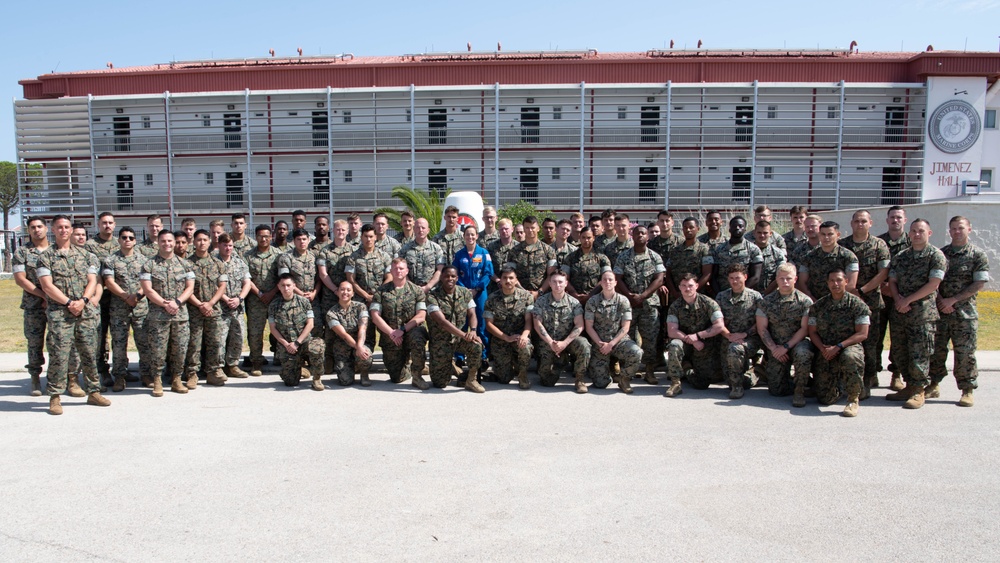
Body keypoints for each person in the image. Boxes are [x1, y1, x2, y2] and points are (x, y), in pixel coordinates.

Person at [36, 215, 112, 414]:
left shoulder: (87, 256)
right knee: (59, 355)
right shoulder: (46, 257)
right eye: (59, 227)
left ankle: (93, 392)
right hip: (60, 314)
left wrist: (83, 301)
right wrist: (69, 302)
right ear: (53, 230)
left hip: (84, 313)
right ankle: (54, 397)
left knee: (89, 353)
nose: (63, 230)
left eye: (67, 227)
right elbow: (47, 286)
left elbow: (92, 281)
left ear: (71, 230)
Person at [927, 216, 989, 407]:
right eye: (953, 228)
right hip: (941, 312)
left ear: (969, 229)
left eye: (960, 228)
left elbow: (979, 283)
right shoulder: (941, 254)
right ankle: (933, 384)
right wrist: (941, 301)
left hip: (964, 314)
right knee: (936, 351)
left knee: (965, 353)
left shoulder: (977, 255)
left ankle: (967, 389)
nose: (956, 231)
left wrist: (953, 300)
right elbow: (932, 281)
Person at [886, 219, 947, 410]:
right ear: (909, 234)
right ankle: (908, 385)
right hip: (900, 312)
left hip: (922, 313)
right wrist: (898, 299)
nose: (917, 234)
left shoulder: (936, 255)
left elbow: (934, 284)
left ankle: (919, 390)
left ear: (929, 233)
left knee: (919, 352)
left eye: (921, 231)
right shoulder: (901, 256)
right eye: (913, 231)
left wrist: (908, 300)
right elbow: (892, 281)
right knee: (900, 350)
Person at [838, 210, 890, 396]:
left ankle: (868, 378)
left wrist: (862, 291)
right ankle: (846, 377)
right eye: (857, 221)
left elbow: (883, 273)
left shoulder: (879, 245)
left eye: (863, 221)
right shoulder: (843, 245)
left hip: (870, 302)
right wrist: (850, 293)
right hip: (846, 303)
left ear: (870, 223)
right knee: (847, 340)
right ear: (851, 223)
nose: (860, 224)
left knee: (870, 342)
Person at [807, 269, 870, 417]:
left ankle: (853, 398)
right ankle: (841, 384)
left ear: (846, 281)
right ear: (827, 283)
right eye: (832, 281)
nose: (836, 284)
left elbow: (862, 333)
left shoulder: (857, 304)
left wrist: (839, 346)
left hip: (848, 346)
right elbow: (812, 332)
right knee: (825, 399)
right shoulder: (819, 306)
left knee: (850, 357)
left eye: (839, 280)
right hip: (826, 349)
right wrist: (823, 348)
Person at [140, 230, 194, 397]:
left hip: (180, 314)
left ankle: (177, 379)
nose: (167, 244)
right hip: (158, 315)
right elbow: (147, 289)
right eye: (163, 241)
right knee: (158, 349)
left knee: (180, 348)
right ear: (158, 242)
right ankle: (157, 379)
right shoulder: (149, 265)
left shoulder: (185, 264)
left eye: (170, 241)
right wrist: (165, 303)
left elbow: (190, 287)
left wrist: (176, 302)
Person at [756, 263, 814, 404]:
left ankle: (799, 391)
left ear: (795, 279)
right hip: (775, 346)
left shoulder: (805, 301)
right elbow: (762, 329)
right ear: (776, 279)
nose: (785, 282)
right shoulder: (766, 302)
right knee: (776, 391)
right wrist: (774, 349)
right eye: (781, 278)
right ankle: (794, 382)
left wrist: (786, 347)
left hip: (797, 343)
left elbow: (804, 329)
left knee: (803, 353)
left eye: (789, 278)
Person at [614, 224, 665, 385]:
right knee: (626, 337)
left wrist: (643, 295)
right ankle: (627, 370)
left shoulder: (655, 257)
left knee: (650, 339)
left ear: (647, 237)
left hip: (649, 305)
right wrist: (629, 295)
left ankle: (649, 371)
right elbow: (618, 278)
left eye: (643, 233)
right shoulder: (624, 256)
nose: (640, 236)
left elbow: (659, 278)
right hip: (628, 304)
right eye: (637, 233)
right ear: (632, 236)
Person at [102, 226, 150, 391]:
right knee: (119, 343)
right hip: (119, 309)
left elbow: (147, 283)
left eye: (130, 237)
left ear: (135, 240)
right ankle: (120, 376)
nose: (127, 240)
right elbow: (109, 282)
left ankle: (146, 374)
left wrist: (136, 295)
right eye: (124, 237)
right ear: (119, 239)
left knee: (144, 343)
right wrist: (125, 296)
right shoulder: (111, 260)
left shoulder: (144, 260)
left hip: (140, 307)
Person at [370, 258, 429, 389]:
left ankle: (417, 375)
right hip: (390, 337)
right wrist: (391, 332)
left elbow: (421, 315)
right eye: (395, 268)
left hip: (409, 332)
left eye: (401, 268)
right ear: (391, 271)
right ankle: (409, 364)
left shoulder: (417, 291)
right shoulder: (381, 291)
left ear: (407, 271)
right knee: (397, 378)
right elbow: (375, 316)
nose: (398, 271)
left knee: (418, 336)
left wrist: (402, 330)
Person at [664, 273, 724, 397]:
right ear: (679, 287)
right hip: (686, 342)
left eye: (690, 285)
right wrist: (691, 339)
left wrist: (697, 336)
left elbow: (719, 326)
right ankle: (675, 383)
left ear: (697, 286)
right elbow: (672, 331)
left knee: (701, 384)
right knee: (674, 345)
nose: (687, 289)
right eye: (684, 286)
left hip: (704, 344)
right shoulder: (675, 306)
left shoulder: (708, 303)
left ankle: (686, 368)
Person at [532, 270, 591, 393]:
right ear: (549, 283)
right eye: (554, 282)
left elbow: (579, 325)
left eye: (560, 282)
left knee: (584, 344)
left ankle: (580, 379)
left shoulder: (574, 303)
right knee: (547, 382)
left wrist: (565, 343)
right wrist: (550, 342)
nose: (557, 285)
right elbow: (537, 324)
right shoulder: (541, 302)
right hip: (548, 342)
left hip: (568, 341)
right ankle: (561, 362)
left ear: (566, 283)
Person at [427, 267, 485, 392]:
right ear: (442, 278)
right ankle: (449, 366)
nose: (450, 279)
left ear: (457, 278)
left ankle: (471, 380)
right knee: (440, 383)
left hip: (459, 339)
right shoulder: (432, 296)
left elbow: (472, 314)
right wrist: (464, 335)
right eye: (447, 276)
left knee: (476, 345)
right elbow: (442, 322)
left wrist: (473, 331)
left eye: (453, 276)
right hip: (440, 342)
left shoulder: (465, 293)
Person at [585, 270, 642, 393]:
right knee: (600, 384)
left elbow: (625, 327)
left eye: (610, 279)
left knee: (637, 352)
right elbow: (589, 327)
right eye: (604, 279)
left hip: (619, 341)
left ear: (616, 282)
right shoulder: (592, 301)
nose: (607, 282)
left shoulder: (623, 301)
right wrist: (601, 344)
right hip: (599, 343)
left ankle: (624, 379)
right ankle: (607, 375)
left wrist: (611, 344)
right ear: (600, 282)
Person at [185, 229, 228, 388]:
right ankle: (192, 373)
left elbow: (222, 286)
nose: (202, 243)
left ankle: (213, 372)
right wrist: (199, 304)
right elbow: (186, 289)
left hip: (214, 310)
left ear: (210, 242)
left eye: (205, 240)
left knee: (215, 342)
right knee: (194, 343)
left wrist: (210, 304)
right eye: (198, 240)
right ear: (194, 242)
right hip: (194, 310)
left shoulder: (218, 264)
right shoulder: (187, 264)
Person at [13, 216, 51, 396]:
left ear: (46, 228)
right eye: (33, 227)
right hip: (33, 305)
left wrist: (52, 297)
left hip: (55, 305)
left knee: (58, 342)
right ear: (28, 230)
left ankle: (56, 377)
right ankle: (35, 378)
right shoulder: (22, 252)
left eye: (39, 226)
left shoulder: (55, 250)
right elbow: (20, 279)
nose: (37, 230)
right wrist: (43, 294)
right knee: (34, 342)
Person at [269, 274, 326, 390]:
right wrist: (286, 344)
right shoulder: (273, 305)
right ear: (278, 287)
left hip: (304, 342)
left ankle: (316, 378)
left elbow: (310, 324)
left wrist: (297, 343)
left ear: (294, 286)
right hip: (287, 346)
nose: (286, 288)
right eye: (283, 286)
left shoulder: (304, 302)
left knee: (317, 346)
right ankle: (298, 368)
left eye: (289, 285)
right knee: (290, 382)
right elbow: (273, 328)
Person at [717, 263, 763, 399]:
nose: (734, 281)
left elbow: (760, 322)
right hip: (728, 338)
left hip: (751, 339)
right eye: (731, 278)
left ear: (745, 277)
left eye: (738, 277)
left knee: (734, 349)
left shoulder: (756, 297)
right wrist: (729, 335)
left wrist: (745, 334)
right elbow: (717, 321)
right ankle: (754, 373)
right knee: (728, 380)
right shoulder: (721, 296)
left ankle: (738, 387)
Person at [877, 206, 910, 391]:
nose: (895, 220)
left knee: (898, 339)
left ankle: (896, 374)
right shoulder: (879, 242)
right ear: (887, 220)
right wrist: (883, 287)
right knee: (875, 337)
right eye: (892, 217)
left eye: (899, 217)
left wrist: (896, 291)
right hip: (880, 297)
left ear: (904, 220)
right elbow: (873, 270)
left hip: (901, 299)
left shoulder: (912, 241)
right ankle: (872, 373)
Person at [84, 211, 120, 386]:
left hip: (119, 298)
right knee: (100, 336)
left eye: (110, 222)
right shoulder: (90, 246)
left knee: (119, 335)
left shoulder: (120, 243)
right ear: (98, 224)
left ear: (114, 224)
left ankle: (121, 369)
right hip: (99, 297)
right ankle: (102, 371)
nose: (107, 225)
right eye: (104, 222)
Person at [483, 267, 534, 389]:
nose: (508, 281)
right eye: (505, 278)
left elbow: (529, 320)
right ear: (500, 280)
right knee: (504, 379)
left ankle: (522, 374)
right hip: (501, 339)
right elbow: (489, 324)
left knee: (526, 346)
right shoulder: (492, 298)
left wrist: (524, 335)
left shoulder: (527, 297)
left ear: (516, 280)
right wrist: (506, 337)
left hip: (519, 337)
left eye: (511, 278)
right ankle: (506, 368)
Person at [346, 225, 393, 351]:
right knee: (363, 331)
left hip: (381, 299)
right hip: (360, 301)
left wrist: (376, 295)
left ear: (376, 237)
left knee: (386, 330)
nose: (368, 239)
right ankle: (364, 360)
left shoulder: (384, 256)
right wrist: (366, 296)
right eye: (365, 236)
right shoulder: (353, 257)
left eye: (371, 236)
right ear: (361, 237)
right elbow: (351, 279)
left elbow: (389, 277)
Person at [244, 224, 281, 376]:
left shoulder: (278, 254)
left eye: (266, 236)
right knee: (255, 332)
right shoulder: (248, 256)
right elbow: (246, 278)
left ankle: (281, 358)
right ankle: (256, 362)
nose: (263, 238)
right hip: (255, 300)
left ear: (271, 237)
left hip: (275, 298)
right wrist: (260, 294)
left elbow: (283, 277)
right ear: (256, 237)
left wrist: (271, 293)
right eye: (260, 236)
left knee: (279, 329)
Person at [453, 225, 493, 363]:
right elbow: (455, 274)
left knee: (481, 324)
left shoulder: (484, 253)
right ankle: (459, 356)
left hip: (480, 293)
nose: (470, 237)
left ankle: (483, 355)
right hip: (463, 293)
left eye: (472, 235)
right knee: (462, 324)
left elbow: (488, 273)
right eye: (467, 235)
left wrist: (477, 289)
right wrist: (465, 290)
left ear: (477, 236)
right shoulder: (459, 254)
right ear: (463, 237)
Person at [217, 234, 253, 379]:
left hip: (237, 307)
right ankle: (218, 367)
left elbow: (247, 282)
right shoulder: (214, 262)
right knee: (219, 339)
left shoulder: (240, 263)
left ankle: (232, 365)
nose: (228, 248)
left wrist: (240, 298)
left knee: (237, 336)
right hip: (220, 308)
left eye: (230, 245)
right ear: (219, 245)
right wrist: (225, 298)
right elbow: (212, 285)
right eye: (225, 245)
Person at [325, 281, 373, 387]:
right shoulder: (331, 313)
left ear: (353, 293)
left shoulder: (361, 307)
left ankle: (364, 374)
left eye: (348, 290)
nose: (345, 292)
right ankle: (352, 366)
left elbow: (362, 328)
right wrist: (358, 348)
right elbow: (344, 335)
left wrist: (360, 347)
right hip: (343, 347)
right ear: (337, 292)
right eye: (342, 289)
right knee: (345, 381)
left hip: (361, 341)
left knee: (365, 354)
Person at [797, 221, 858, 302]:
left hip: (840, 304)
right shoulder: (808, 257)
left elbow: (851, 284)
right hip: (815, 303)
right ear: (819, 235)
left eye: (830, 234)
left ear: (838, 235)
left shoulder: (849, 257)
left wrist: (834, 301)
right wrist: (813, 300)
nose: (826, 237)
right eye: (823, 234)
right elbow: (802, 283)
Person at [275, 228, 319, 336]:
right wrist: (301, 294)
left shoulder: (315, 257)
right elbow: (284, 279)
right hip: (293, 300)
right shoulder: (285, 258)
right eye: (298, 239)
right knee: (294, 329)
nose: (302, 242)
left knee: (316, 327)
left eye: (304, 239)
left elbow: (320, 278)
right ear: (294, 241)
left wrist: (314, 293)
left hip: (313, 300)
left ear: (309, 240)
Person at [710, 216, 763, 295]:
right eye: (734, 226)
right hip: (722, 295)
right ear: (730, 229)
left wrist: (739, 291)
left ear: (745, 229)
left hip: (745, 295)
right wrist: (720, 294)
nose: (737, 228)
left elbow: (755, 277)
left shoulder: (753, 249)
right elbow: (713, 276)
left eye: (741, 226)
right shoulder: (719, 249)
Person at [665, 217, 713, 302]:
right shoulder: (675, 250)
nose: (688, 230)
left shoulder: (704, 249)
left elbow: (707, 274)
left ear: (698, 229)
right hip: (676, 297)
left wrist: (692, 290)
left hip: (696, 296)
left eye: (691, 227)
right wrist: (674, 292)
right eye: (685, 227)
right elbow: (668, 274)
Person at [507, 216, 557, 298]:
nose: (530, 230)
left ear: (538, 228)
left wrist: (539, 292)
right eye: (527, 227)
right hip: (519, 295)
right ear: (524, 229)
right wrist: (523, 291)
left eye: (533, 227)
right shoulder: (514, 251)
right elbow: (511, 274)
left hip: (543, 296)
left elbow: (551, 275)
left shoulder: (548, 250)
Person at [563, 227, 612, 304]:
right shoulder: (571, 257)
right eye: (583, 237)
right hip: (574, 300)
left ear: (593, 238)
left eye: (589, 238)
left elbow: (607, 277)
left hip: (597, 299)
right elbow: (564, 277)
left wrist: (591, 294)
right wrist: (574, 294)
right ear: (580, 238)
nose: (586, 240)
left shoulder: (602, 257)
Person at [399, 218, 445, 292]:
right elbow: (401, 270)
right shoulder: (405, 249)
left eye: (423, 228)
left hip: (432, 291)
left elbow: (440, 270)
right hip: (410, 291)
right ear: (414, 229)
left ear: (428, 230)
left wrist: (428, 287)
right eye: (418, 227)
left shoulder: (436, 248)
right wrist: (411, 286)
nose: (420, 230)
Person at [752, 220, 786, 295]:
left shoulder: (777, 253)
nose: (762, 236)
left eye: (765, 233)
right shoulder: (747, 251)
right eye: (759, 233)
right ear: (754, 233)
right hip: (750, 295)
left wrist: (766, 293)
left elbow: (781, 275)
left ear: (770, 234)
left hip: (771, 295)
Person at [486, 218, 516, 293]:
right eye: (501, 229)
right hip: (494, 286)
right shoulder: (491, 246)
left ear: (512, 229)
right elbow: (487, 266)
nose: (504, 231)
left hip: (513, 286)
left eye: (506, 229)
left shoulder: (518, 247)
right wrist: (497, 280)